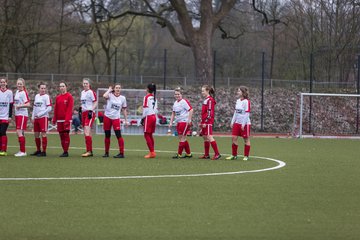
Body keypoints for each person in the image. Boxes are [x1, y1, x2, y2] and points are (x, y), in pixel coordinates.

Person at [102, 84, 129, 158]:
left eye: (119, 88)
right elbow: (104, 96)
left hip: (116, 118)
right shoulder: (110, 95)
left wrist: (126, 120)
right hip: (107, 117)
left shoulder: (123, 98)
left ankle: (121, 153)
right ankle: (106, 153)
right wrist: (109, 89)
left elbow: (124, 109)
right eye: (116, 88)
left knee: (118, 135)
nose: (118, 89)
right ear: (114, 89)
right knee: (107, 135)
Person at [226, 86, 251, 161]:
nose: (237, 92)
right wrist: (232, 121)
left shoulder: (246, 101)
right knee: (234, 138)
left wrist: (243, 124)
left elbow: (247, 114)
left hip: (245, 124)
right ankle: (234, 155)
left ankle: (246, 156)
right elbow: (236, 112)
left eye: (239, 91)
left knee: (246, 139)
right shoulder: (238, 101)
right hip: (237, 123)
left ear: (243, 92)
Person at [168, 87, 193, 159]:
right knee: (182, 138)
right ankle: (188, 154)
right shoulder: (175, 103)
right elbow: (173, 113)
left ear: (181, 94)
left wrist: (189, 120)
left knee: (182, 138)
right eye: (176, 94)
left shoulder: (184, 102)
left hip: (184, 122)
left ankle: (179, 154)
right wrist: (171, 122)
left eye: (178, 94)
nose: (177, 95)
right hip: (179, 122)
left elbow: (191, 110)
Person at [199, 85, 221, 160]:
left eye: (203, 91)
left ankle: (217, 154)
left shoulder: (210, 100)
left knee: (209, 136)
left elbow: (210, 112)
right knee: (205, 137)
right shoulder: (206, 100)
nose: (202, 92)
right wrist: (202, 122)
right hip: (204, 121)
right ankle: (206, 154)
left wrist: (205, 122)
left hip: (208, 121)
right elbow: (204, 112)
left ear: (207, 91)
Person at [52, 82, 74, 157]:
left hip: (66, 120)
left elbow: (69, 109)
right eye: (60, 86)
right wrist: (54, 119)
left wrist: (67, 120)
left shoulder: (69, 96)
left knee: (66, 134)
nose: (61, 87)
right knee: (61, 135)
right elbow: (56, 109)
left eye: (63, 86)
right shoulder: (58, 97)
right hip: (59, 120)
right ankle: (64, 150)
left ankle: (66, 151)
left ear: (66, 87)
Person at [30, 83, 52, 157]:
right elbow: (35, 107)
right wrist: (33, 116)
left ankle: (44, 151)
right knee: (36, 134)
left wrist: (41, 114)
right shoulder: (36, 96)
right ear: (39, 89)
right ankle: (38, 150)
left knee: (43, 134)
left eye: (44, 88)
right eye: (42, 88)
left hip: (43, 117)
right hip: (36, 118)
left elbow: (49, 108)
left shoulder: (46, 97)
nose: (43, 90)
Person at [80, 78, 97, 157]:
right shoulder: (82, 92)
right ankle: (89, 150)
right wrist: (81, 108)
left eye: (86, 83)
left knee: (87, 130)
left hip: (89, 113)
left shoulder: (91, 92)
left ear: (89, 84)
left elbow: (95, 102)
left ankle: (89, 151)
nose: (85, 85)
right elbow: (84, 103)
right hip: (83, 113)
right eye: (84, 83)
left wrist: (91, 110)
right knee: (87, 132)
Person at [14, 78, 31, 157]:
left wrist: (19, 106)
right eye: (18, 83)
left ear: (23, 85)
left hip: (22, 114)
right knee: (19, 133)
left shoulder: (24, 92)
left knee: (19, 131)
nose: (19, 85)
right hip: (17, 114)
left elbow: (28, 104)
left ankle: (23, 151)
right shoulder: (17, 92)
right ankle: (21, 150)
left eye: (21, 84)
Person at [142, 83, 157, 158]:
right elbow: (156, 109)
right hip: (154, 116)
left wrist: (142, 118)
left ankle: (152, 152)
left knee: (146, 134)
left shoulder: (146, 97)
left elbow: (145, 109)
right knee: (150, 134)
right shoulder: (154, 97)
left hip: (149, 116)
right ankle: (152, 151)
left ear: (147, 89)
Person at [0, 78, 13, 156]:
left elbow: (11, 104)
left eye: (4, 82)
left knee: (2, 132)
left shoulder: (9, 92)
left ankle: (4, 150)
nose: (2, 83)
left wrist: (10, 116)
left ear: (6, 83)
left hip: (5, 116)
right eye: (1, 82)